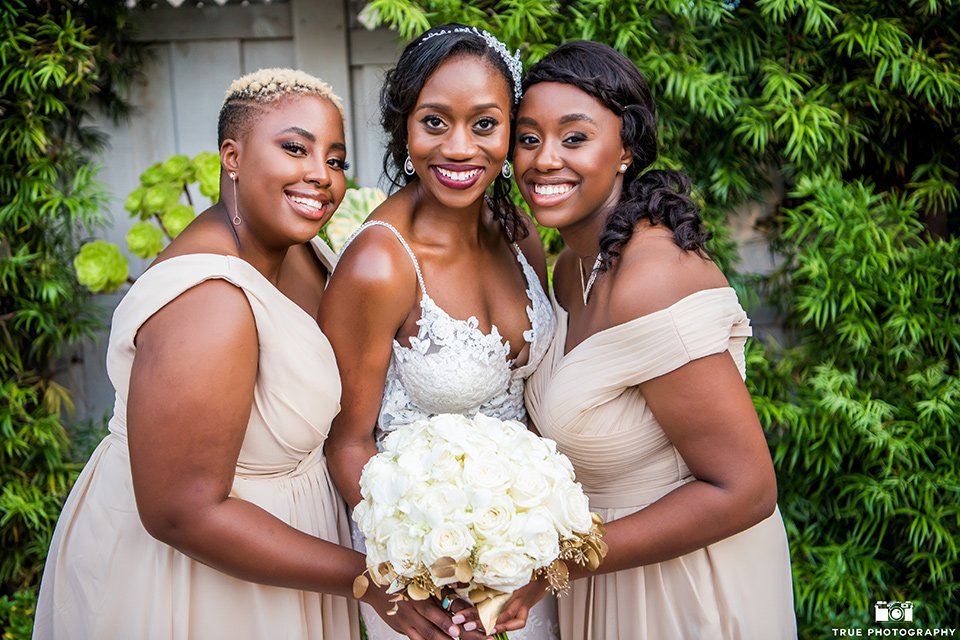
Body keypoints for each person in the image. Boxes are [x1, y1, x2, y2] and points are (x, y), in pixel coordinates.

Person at [33, 68, 470, 640]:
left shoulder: (302, 253)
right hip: (201, 582)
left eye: (335, 160)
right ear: (231, 155)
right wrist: (367, 579)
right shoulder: (209, 301)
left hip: (286, 553)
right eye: (295, 149)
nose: (321, 175)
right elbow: (181, 512)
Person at [513, 41, 798, 639]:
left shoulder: (654, 276)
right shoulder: (569, 266)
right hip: (607, 571)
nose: (543, 159)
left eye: (573, 137)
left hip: (685, 586)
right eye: (528, 137)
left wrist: (559, 565)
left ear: (626, 150)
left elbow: (746, 490)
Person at [319, 24, 561, 640]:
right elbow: (346, 442)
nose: (460, 148)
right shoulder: (380, 264)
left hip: (524, 562)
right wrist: (422, 577)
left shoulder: (518, 230)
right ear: (404, 128)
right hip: (425, 583)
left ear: (511, 129)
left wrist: (533, 540)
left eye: (484, 124)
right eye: (434, 122)